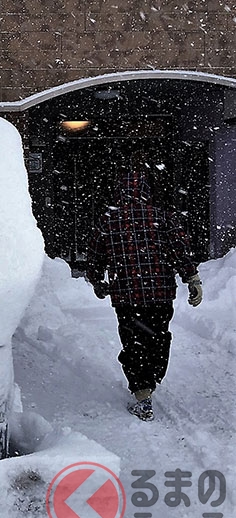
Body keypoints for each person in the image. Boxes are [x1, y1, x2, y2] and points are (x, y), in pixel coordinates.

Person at [86, 170, 202, 421]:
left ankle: (142, 392)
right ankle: (154, 375)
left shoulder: (108, 223)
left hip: (127, 296)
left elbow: (95, 257)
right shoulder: (164, 218)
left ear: (119, 193)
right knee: (158, 337)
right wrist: (192, 278)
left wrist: (98, 282)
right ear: (147, 193)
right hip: (160, 293)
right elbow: (180, 250)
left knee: (133, 342)